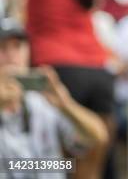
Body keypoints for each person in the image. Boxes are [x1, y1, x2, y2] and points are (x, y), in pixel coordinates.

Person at [0, 18, 108, 177]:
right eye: (2, 48)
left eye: (18, 46)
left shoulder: (44, 100)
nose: (11, 56)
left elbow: (98, 137)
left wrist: (65, 104)